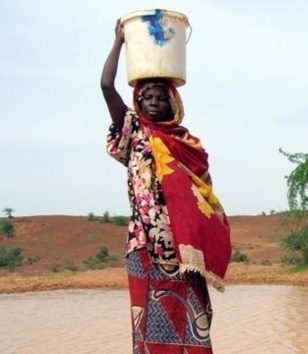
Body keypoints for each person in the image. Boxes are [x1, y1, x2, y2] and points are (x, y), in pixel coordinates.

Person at [101, 19, 231, 354]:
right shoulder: (134, 133)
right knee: (147, 323)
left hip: (184, 247)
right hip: (144, 244)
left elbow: (204, 197)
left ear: (172, 103)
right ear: (139, 104)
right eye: (146, 98)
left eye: (160, 97)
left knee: (194, 319)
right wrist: (118, 43)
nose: (153, 103)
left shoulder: (189, 144)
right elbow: (105, 86)